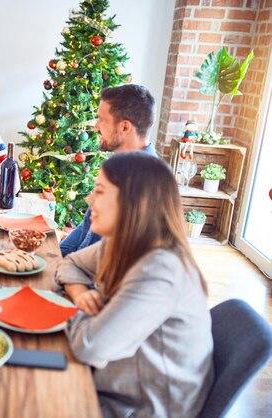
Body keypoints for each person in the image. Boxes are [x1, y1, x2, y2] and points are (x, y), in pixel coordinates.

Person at [55, 152, 213, 417]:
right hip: (113, 382)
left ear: (132, 201)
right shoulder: (122, 242)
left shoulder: (160, 270)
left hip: (140, 407)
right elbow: (70, 264)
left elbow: (89, 347)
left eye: (100, 192)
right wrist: (80, 293)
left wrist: (77, 313)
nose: (89, 199)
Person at [60, 84, 157, 257]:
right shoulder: (119, 164)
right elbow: (87, 227)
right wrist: (56, 254)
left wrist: (63, 269)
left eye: (102, 120)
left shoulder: (143, 183)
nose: (96, 127)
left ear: (125, 127)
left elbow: (104, 258)